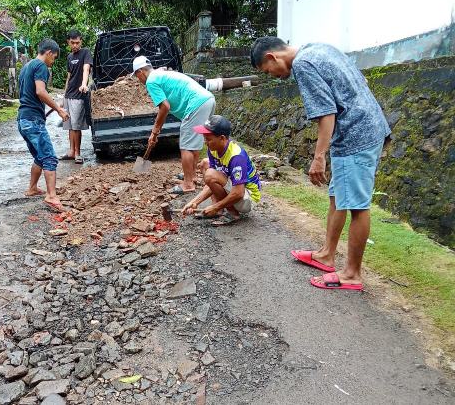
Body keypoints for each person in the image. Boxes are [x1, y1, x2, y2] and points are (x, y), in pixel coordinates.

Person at [250, 37, 391, 291]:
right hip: (367, 126)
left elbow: (326, 113)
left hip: (356, 135)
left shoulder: (303, 64)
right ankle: (326, 254)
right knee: (337, 196)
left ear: (272, 57)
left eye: (267, 71)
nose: (273, 76)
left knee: (357, 205)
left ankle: (352, 274)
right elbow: (361, 81)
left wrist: (319, 157)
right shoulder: (318, 48)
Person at [132, 56, 215, 194]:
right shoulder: (160, 74)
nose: (138, 79)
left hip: (196, 104)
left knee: (186, 146)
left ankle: (188, 184)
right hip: (207, 99)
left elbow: (165, 107)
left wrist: (155, 132)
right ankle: (192, 175)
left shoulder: (151, 81)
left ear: (140, 72)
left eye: (136, 76)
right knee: (194, 143)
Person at [17, 38, 70, 212]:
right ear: (48, 53)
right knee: (49, 158)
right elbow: (40, 91)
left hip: (23, 119)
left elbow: (29, 94)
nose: (53, 62)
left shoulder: (26, 66)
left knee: (39, 157)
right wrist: (59, 109)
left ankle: (32, 188)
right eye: (53, 57)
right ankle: (51, 196)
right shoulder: (41, 66)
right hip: (32, 120)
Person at [182, 115, 261, 225]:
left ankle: (232, 213)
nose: (205, 142)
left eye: (208, 139)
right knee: (205, 164)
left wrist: (215, 206)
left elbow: (239, 193)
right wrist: (195, 202)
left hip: (248, 198)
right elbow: (211, 184)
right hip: (236, 189)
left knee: (210, 174)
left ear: (222, 138)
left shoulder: (236, 156)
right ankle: (218, 211)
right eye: (205, 138)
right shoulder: (213, 150)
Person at [61, 29, 93, 164]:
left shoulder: (85, 53)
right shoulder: (69, 57)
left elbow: (86, 69)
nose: (75, 45)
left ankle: (78, 153)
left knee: (76, 126)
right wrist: (64, 96)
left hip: (79, 95)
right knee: (69, 125)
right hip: (69, 95)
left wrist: (84, 84)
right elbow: (69, 77)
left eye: (77, 42)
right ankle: (71, 151)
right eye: (72, 42)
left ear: (81, 41)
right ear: (68, 42)